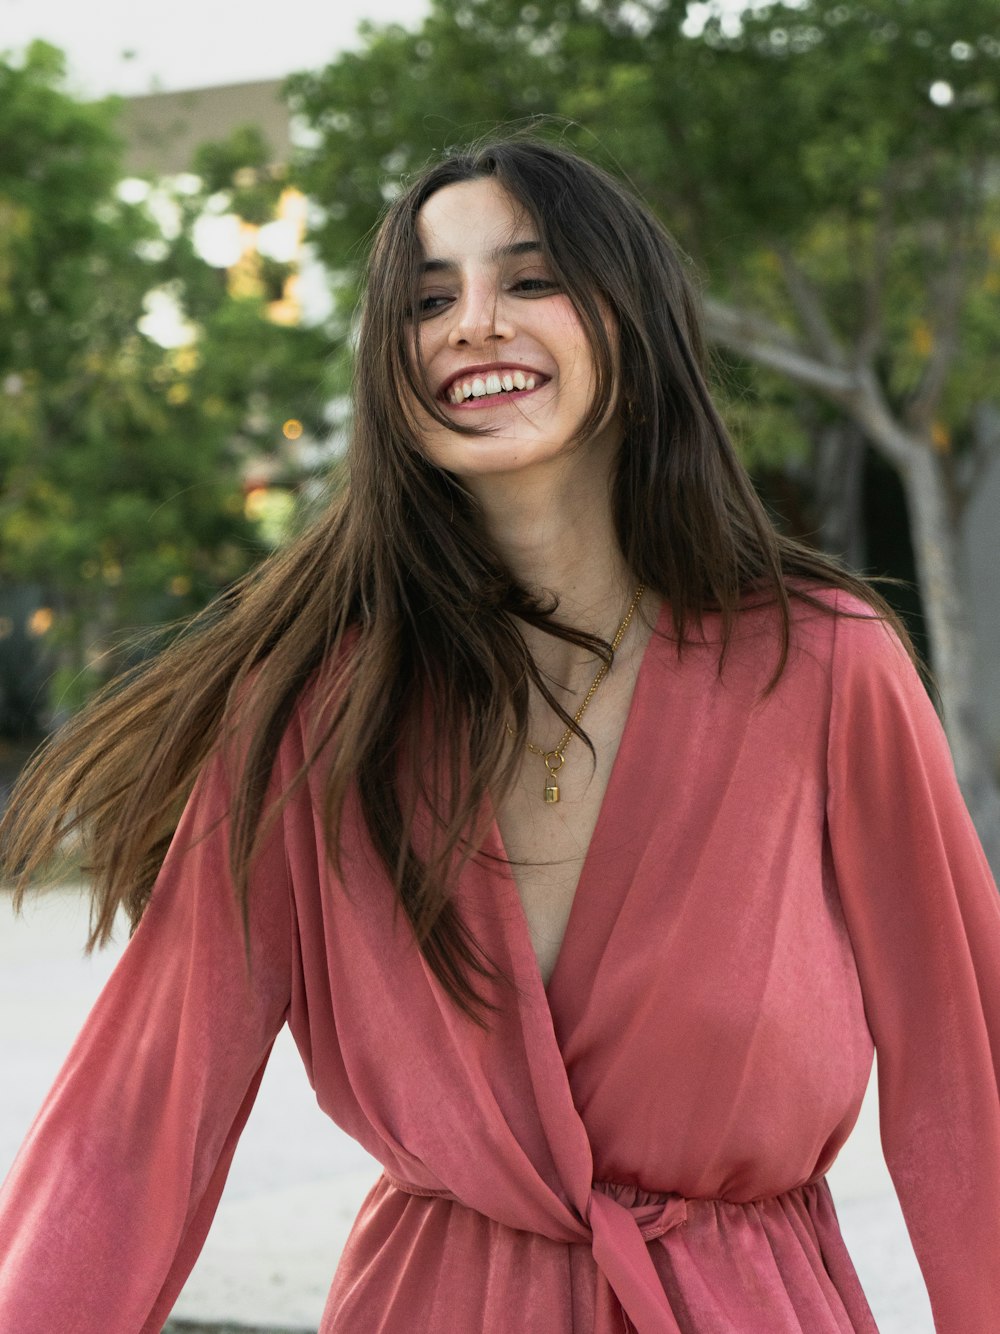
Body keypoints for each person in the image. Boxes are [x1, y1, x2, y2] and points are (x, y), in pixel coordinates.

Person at [0, 133, 998, 1334]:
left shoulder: (824, 663)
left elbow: (967, 1086)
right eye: (429, 300)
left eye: (528, 279)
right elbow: (133, 1124)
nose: (472, 323)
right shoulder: (315, 709)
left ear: (632, 323)